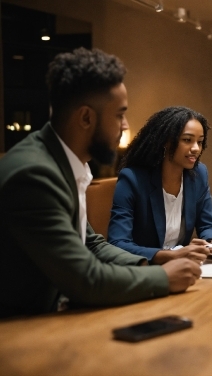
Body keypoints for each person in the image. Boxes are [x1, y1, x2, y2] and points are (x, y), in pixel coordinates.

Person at [0, 48, 201, 318]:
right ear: (86, 117)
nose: (124, 125)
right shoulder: (35, 175)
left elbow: (91, 244)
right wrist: (162, 278)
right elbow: (86, 279)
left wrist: (155, 260)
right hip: (21, 328)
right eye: (119, 115)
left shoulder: (61, 162)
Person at [108, 106, 212, 264]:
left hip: (183, 267)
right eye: (187, 140)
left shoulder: (199, 174)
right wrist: (170, 255)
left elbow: (208, 225)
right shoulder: (132, 178)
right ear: (166, 142)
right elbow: (117, 243)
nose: (196, 148)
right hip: (143, 271)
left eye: (200, 142)